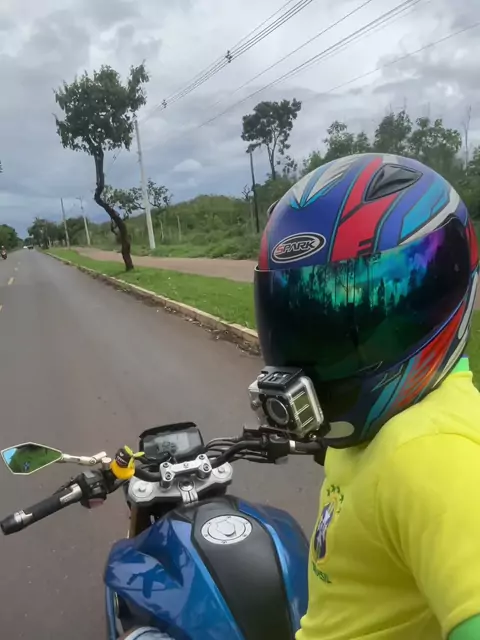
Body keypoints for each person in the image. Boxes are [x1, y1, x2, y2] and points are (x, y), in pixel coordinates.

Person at [253, 153, 480, 640]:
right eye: (300, 318)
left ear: (439, 292)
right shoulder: (383, 433)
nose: (314, 347)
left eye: (348, 321)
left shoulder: (427, 456)